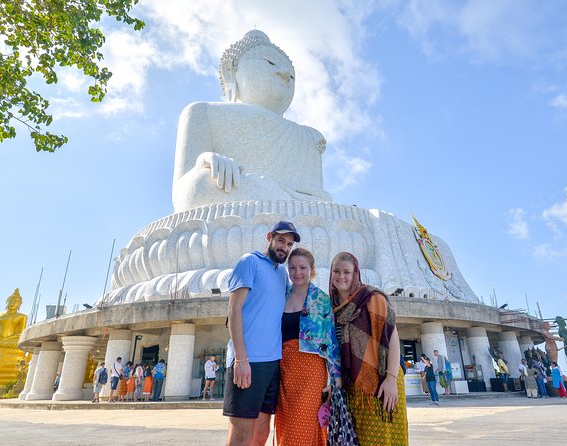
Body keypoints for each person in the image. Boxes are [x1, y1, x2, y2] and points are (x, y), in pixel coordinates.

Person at [172, 30, 331, 213]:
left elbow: (315, 197)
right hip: (240, 198)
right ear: (230, 71)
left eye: (292, 76)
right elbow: (182, 196)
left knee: (324, 210)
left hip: (303, 210)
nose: (285, 74)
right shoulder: (202, 112)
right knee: (199, 185)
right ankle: (288, 209)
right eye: (270, 62)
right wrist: (203, 162)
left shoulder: (309, 137)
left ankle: (288, 209)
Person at [223, 220, 299, 446]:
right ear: (269, 237)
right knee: (242, 432)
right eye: (281, 241)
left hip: (272, 362)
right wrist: (241, 359)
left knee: (261, 432)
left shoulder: (283, 274)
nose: (284, 247)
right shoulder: (250, 262)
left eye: (289, 244)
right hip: (248, 360)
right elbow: (234, 310)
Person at [330, 252, 408, 445]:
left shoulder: (372, 298)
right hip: (354, 388)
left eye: (347, 272)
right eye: (337, 271)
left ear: (355, 273)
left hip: (382, 381)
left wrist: (390, 380)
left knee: (385, 438)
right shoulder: (331, 306)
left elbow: (393, 338)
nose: (342, 276)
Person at [275, 248, 341, 446]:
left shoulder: (321, 300)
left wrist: (335, 378)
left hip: (311, 371)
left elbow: (331, 342)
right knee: (285, 425)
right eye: (292, 267)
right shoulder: (279, 296)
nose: (297, 272)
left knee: (304, 424)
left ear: (311, 269)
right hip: (283, 370)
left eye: (303, 267)